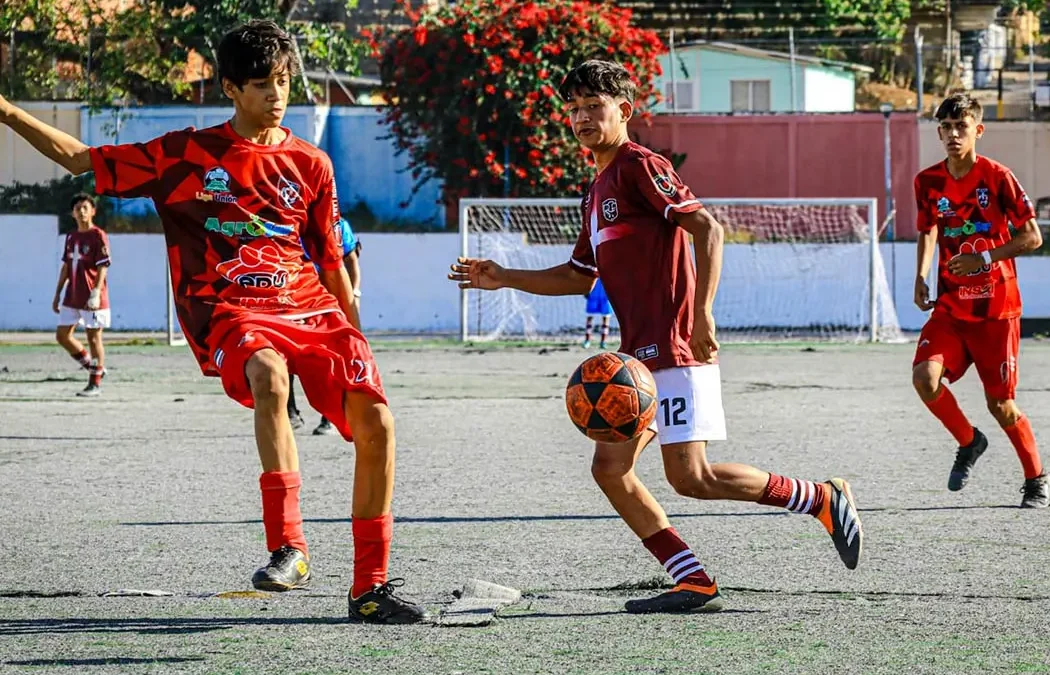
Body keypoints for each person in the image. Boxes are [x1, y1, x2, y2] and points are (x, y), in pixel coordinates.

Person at [0, 20, 423, 623]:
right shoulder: (185, 155)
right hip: (231, 310)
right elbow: (75, 157)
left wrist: (354, 330)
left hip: (312, 308)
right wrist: (8, 111)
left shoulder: (312, 163)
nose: (276, 96)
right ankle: (289, 547)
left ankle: (370, 591)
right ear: (230, 87)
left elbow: (330, 260)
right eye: (260, 84)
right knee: (270, 378)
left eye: (283, 82)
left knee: (378, 423)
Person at [449, 60, 863, 614]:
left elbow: (708, 228)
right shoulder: (596, 189)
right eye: (573, 110)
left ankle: (819, 498)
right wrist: (504, 278)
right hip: (637, 362)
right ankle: (692, 579)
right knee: (610, 469)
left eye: (594, 107)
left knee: (692, 477)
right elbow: (578, 276)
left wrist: (703, 316)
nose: (581, 118)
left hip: (674, 347)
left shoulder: (640, 165)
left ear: (624, 110)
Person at [912, 93, 1048, 508]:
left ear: (978, 130)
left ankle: (1035, 478)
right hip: (952, 308)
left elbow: (1033, 237)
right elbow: (929, 229)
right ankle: (970, 442)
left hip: (996, 310)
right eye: (947, 128)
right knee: (924, 378)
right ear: (939, 132)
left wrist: (984, 257)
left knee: (1002, 405)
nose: (954, 134)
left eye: (962, 127)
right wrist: (921, 274)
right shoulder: (928, 181)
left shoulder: (998, 177)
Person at [288, 216, 362, 435]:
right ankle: (290, 411)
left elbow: (352, 262)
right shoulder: (286, 221)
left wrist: (354, 294)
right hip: (296, 301)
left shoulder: (338, 224)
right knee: (286, 352)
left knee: (331, 358)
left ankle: (329, 417)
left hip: (327, 303)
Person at [53, 193, 111, 397]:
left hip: (92, 298)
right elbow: (67, 266)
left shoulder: (98, 235)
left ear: (93, 211)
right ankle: (94, 368)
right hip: (72, 296)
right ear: (73, 213)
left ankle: (94, 383)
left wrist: (95, 293)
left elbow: (103, 266)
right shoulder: (71, 237)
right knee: (62, 335)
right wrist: (57, 293)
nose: (82, 211)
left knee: (93, 338)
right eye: (78, 208)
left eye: (85, 207)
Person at [582, 277, 611, 349]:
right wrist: (585, 292)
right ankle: (587, 341)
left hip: (605, 296)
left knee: (606, 318)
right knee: (589, 317)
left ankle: (603, 342)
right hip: (593, 295)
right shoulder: (594, 268)